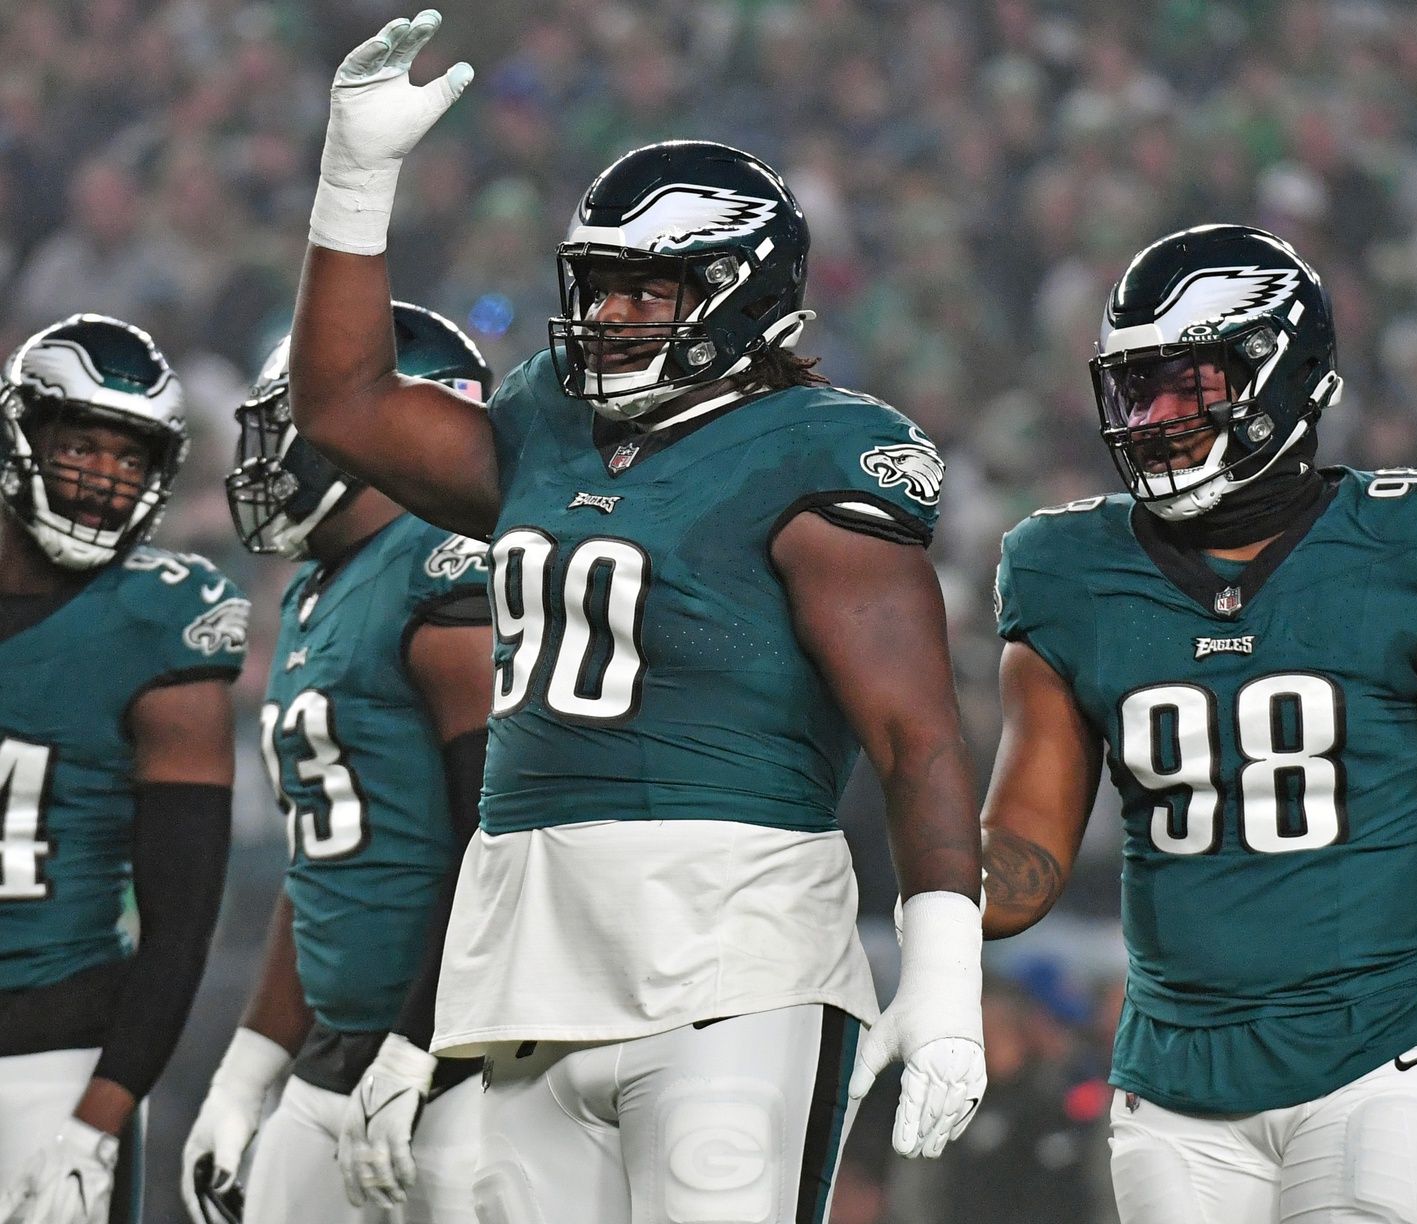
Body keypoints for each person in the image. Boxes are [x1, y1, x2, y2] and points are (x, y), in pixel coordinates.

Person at [285, 12, 985, 1223]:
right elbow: (343, 407)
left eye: (643, 292)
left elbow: (916, 735)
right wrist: (356, 179)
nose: (605, 320)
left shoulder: (819, 450)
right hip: (523, 951)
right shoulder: (551, 415)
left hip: (731, 948)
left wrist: (946, 977)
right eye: (598, 290)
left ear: (741, 293)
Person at [980, 224, 1417, 1224]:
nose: (1152, 420)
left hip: (1385, 1056)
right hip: (1174, 1080)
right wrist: (909, 931)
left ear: (1279, 375)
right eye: (1134, 391)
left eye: (1184, 386)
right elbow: (1019, 862)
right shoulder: (1068, 571)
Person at [179, 303, 495, 1224]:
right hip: (335, 1056)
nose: (280, 451)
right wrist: (246, 1072)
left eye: (304, 420)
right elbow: (325, 865)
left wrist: (423, 1044)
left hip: (456, 1065)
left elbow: (500, 839)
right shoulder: (323, 590)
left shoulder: (448, 567)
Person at [0, 315, 243, 1223]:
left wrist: (96, 1121)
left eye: (130, 459)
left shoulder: (155, 622)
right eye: (83, 448)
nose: (105, 478)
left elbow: (182, 925)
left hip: (48, 1055)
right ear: (23, 435)